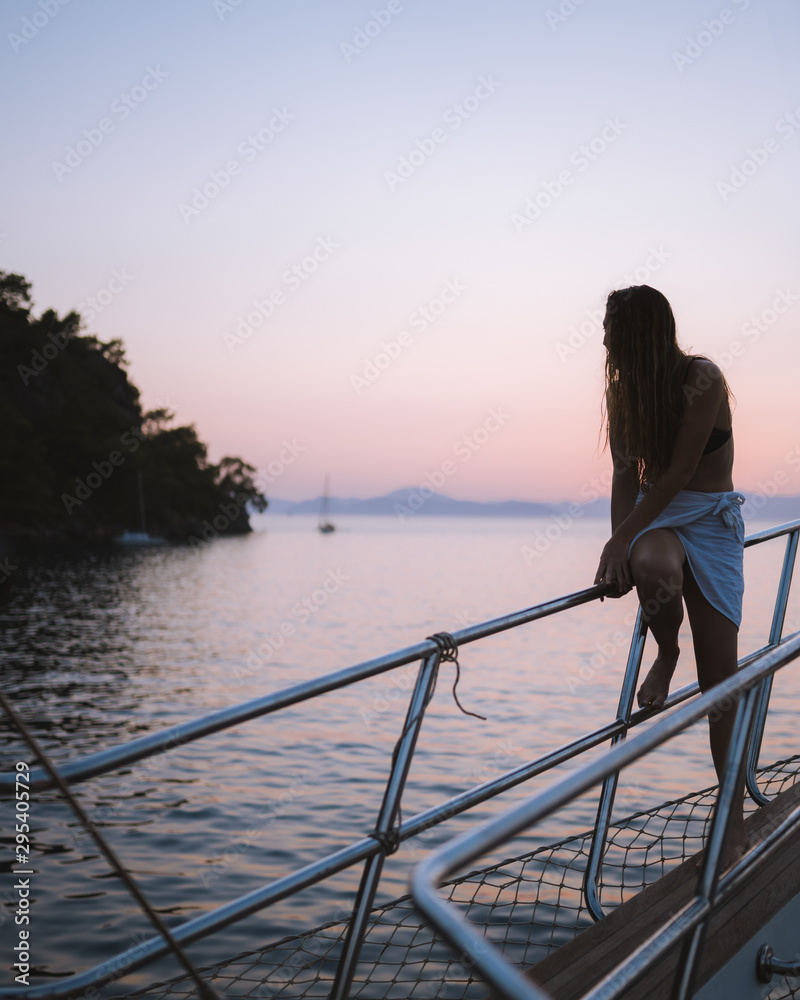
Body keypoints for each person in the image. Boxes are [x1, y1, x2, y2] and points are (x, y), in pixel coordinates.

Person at [593, 284, 748, 869]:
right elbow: (623, 477)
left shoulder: (702, 378)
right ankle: (666, 649)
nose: (605, 343)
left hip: (707, 517)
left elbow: (681, 471)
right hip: (654, 517)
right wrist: (623, 546)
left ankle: (731, 820)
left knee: (720, 682)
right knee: (653, 565)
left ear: (641, 333)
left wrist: (620, 537)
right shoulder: (624, 393)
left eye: (612, 332)